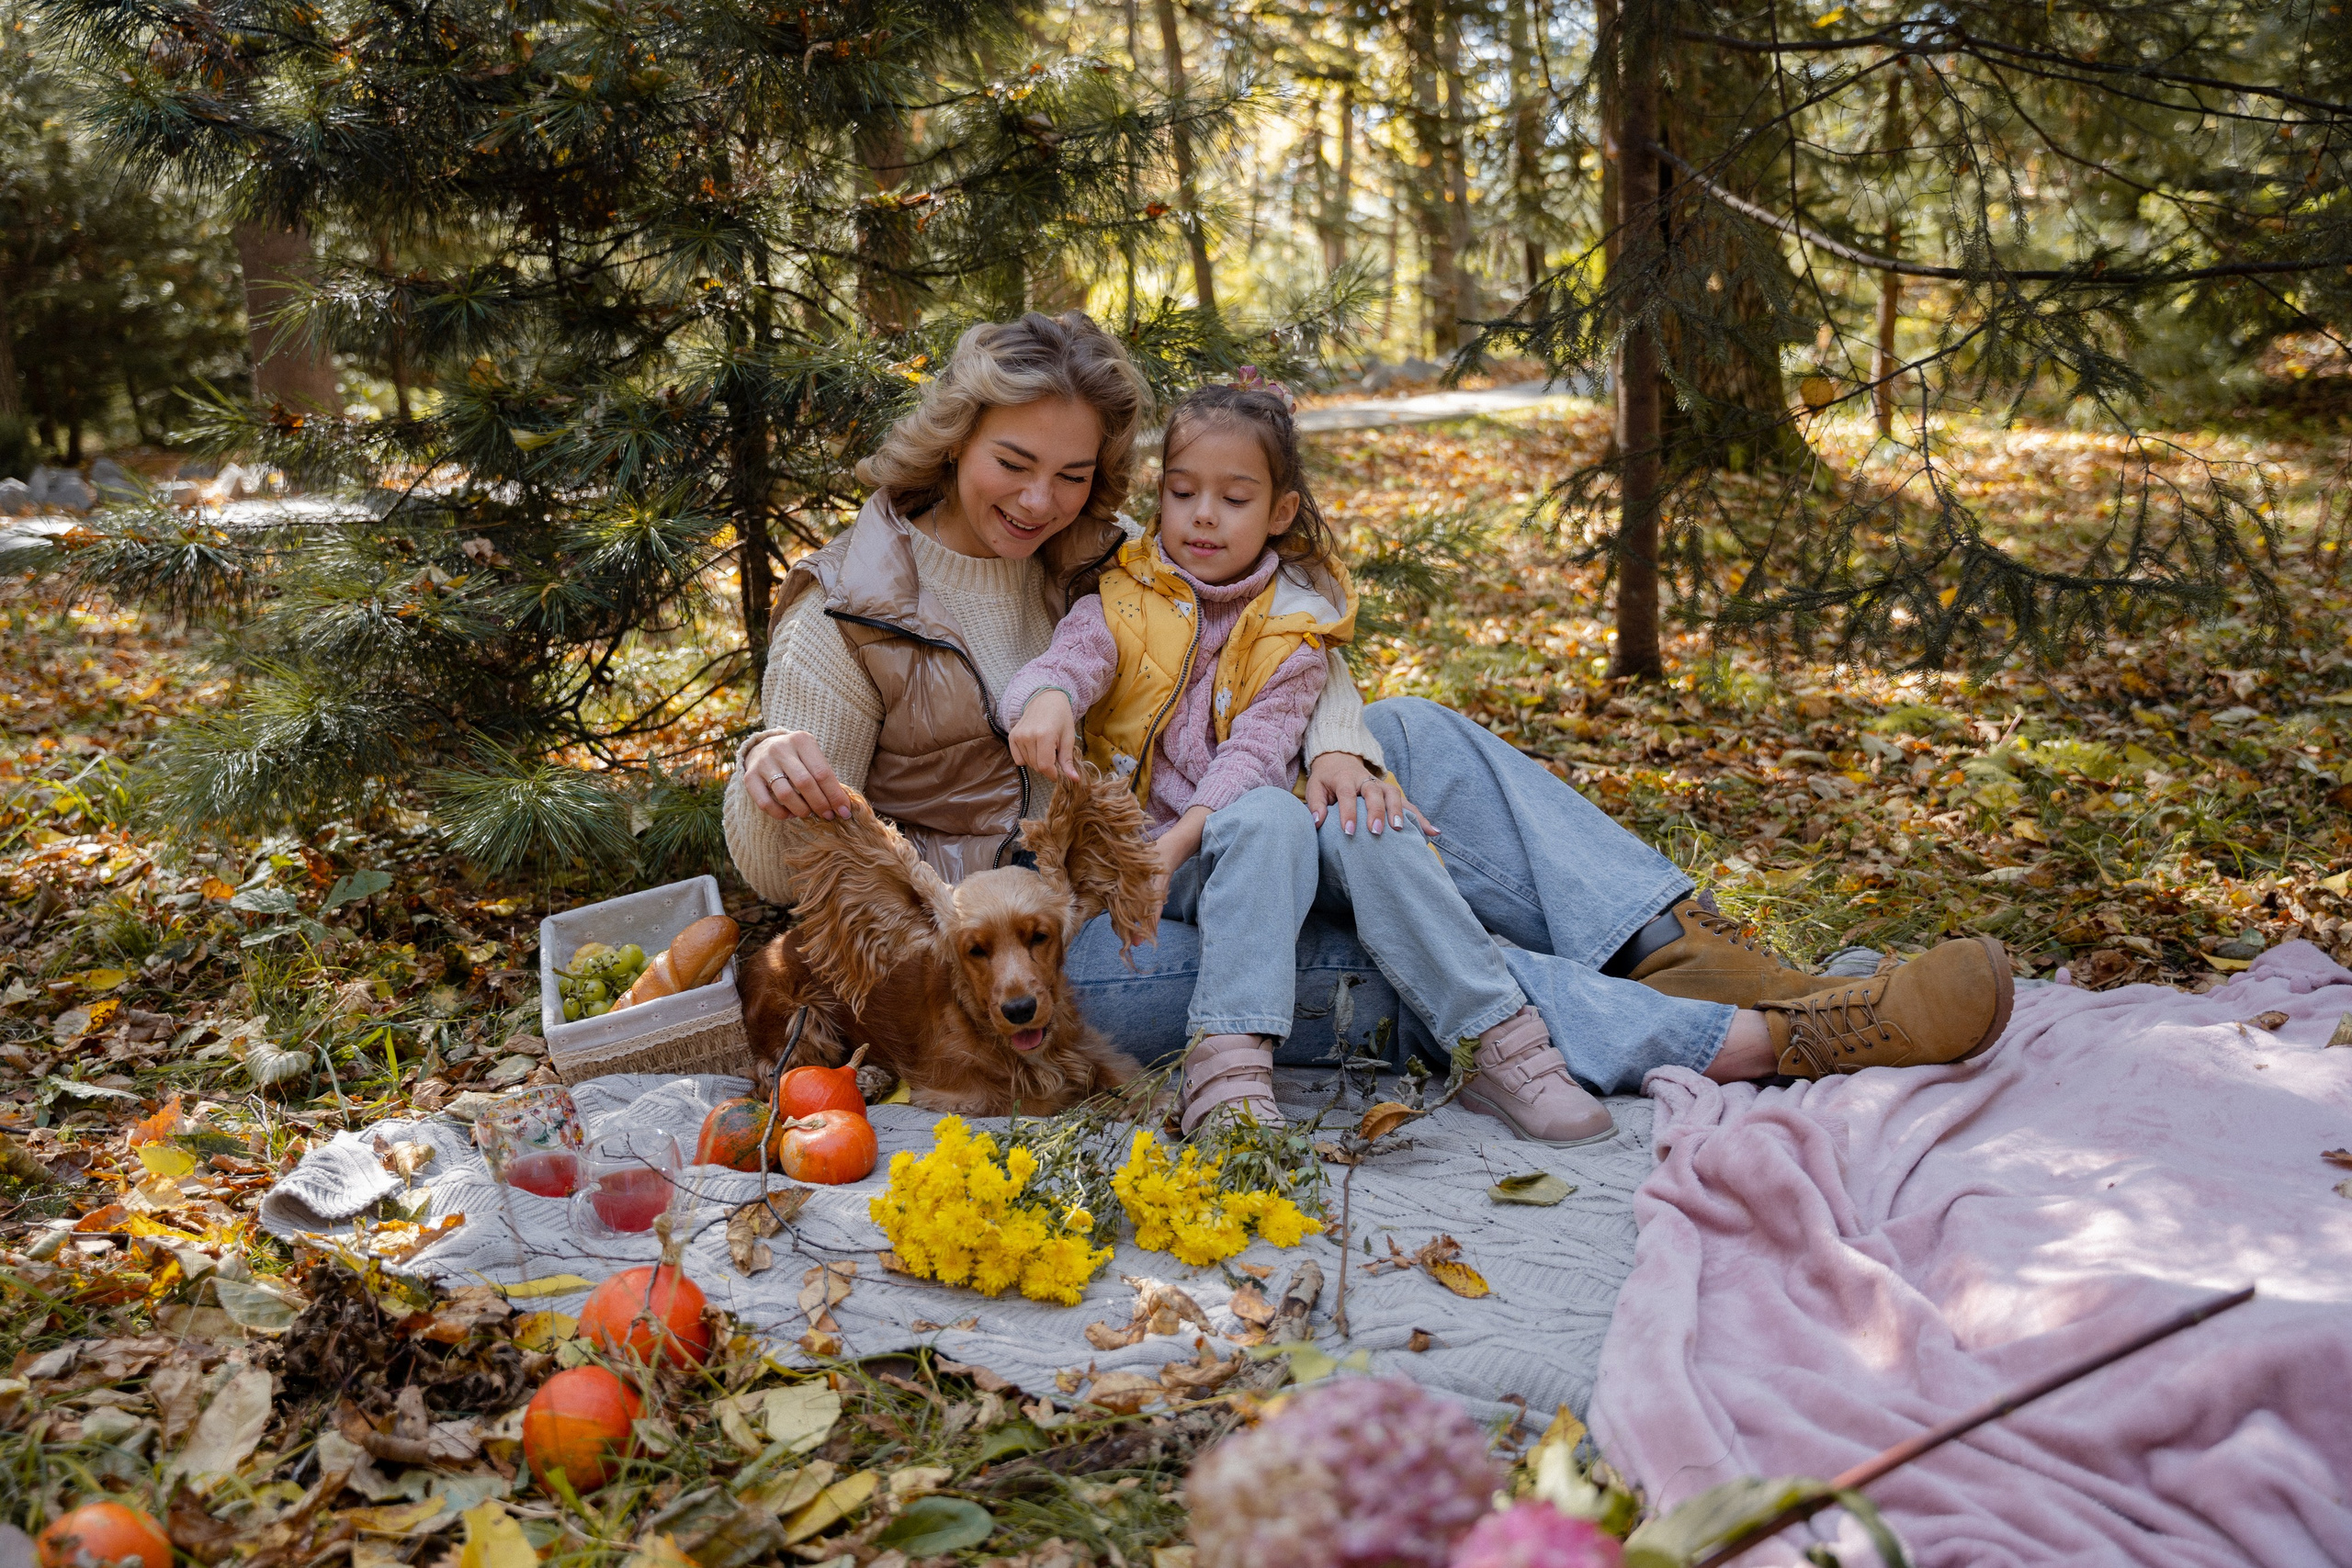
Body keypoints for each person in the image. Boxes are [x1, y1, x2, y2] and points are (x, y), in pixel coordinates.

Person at [723, 310, 2016, 1116]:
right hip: (1032, 948)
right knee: (1389, 938)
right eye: (1014, 462)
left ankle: (1689, 944)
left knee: (1417, 735)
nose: (1041, 498)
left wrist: (1336, 730)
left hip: (1166, 843)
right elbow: (783, 864)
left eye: (1074, 472)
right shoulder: (846, 614)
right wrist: (766, 769)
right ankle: (1782, 1035)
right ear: (954, 440)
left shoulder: (1101, 552)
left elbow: (1264, 627)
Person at [999, 376, 1614, 1145]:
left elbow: (1256, 753)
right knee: (1270, 819)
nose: (1203, 516)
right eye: (1183, 492)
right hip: (1147, 859)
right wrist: (1047, 698)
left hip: (1229, 840)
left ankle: (1496, 1044)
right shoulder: (1121, 599)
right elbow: (1067, 660)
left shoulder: (1298, 633)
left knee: (1360, 820)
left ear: (1280, 511)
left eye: (1235, 498)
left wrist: (1184, 837)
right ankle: (1226, 1071)